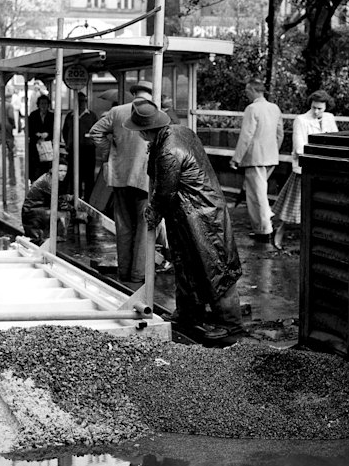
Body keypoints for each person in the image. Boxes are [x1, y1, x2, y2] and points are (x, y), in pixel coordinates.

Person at [124, 97, 244, 344]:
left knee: (214, 268)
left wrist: (153, 213)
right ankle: (189, 315)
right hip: (190, 213)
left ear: (145, 131)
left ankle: (231, 326)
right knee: (187, 265)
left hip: (200, 215)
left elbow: (164, 191)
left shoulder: (167, 150)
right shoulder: (179, 133)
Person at [89, 80, 153, 286]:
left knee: (124, 226)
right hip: (144, 179)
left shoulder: (117, 111)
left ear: (134, 93)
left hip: (119, 178)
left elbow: (96, 132)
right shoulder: (156, 114)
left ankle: (124, 273)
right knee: (144, 228)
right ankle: (137, 275)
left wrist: (109, 152)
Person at [272, 90, 338, 249]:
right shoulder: (301, 120)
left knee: (320, 204)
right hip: (305, 169)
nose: (316, 111)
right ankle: (279, 232)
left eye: (320, 108)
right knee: (293, 206)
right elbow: (299, 147)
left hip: (324, 170)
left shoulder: (329, 118)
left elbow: (335, 139)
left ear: (326, 108)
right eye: (314, 107)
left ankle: (314, 239)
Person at [230, 78, 283, 243]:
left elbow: (246, 135)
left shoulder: (252, 109)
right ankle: (267, 224)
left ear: (254, 90)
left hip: (255, 158)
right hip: (271, 157)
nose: (246, 94)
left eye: (247, 91)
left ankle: (264, 230)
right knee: (262, 192)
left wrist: (236, 158)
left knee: (256, 195)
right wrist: (273, 150)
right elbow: (280, 133)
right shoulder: (274, 108)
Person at [21, 154, 73, 243]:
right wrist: (74, 211)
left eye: (65, 171)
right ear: (52, 170)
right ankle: (58, 238)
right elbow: (59, 203)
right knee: (64, 214)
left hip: (33, 211)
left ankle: (53, 238)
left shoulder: (49, 178)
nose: (63, 173)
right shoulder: (48, 182)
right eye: (60, 170)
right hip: (33, 212)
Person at [62, 91, 98, 201]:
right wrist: (69, 143)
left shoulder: (91, 116)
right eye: (80, 101)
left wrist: (91, 140)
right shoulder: (70, 116)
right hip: (73, 150)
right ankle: (75, 199)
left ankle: (88, 200)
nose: (82, 103)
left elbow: (97, 132)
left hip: (88, 150)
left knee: (89, 178)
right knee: (74, 176)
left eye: (84, 101)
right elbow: (65, 131)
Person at [27, 94, 55, 182]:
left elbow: (55, 130)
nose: (44, 106)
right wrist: (37, 135)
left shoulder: (52, 116)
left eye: (46, 104)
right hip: (35, 145)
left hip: (47, 146)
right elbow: (28, 130)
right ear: (38, 105)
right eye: (42, 103)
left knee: (46, 167)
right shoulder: (33, 115)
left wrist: (48, 134)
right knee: (35, 167)